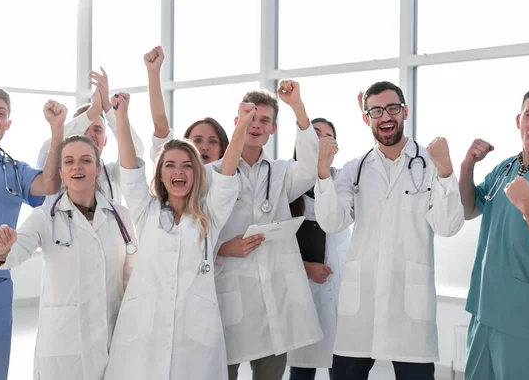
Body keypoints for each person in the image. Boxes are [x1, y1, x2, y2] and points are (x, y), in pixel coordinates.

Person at [314, 81, 465, 380]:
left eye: (392, 108)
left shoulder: (432, 164)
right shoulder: (354, 169)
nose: (386, 117)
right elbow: (332, 222)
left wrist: (446, 169)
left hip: (409, 307)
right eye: (376, 110)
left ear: (405, 111)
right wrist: (322, 171)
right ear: (366, 117)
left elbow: (448, 226)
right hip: (361, 307)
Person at [104, 92, 251, 380]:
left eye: (186, 165)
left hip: (194, 326)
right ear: (160, 175)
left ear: (196, 174)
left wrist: (241, 126)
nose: (178, 171)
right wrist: (121, 117)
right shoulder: (146, 212)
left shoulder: (209, 216)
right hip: (145, 324)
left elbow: (228, 172)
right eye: (169, 165)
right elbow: (130, 167)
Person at [0, 135, 137, 379]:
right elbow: (17, 250)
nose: (77, 167)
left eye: (85, 160)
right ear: (62, 172)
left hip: (114, 337)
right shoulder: (45, 217)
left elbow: (132, 276)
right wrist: (2, 250)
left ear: (98, 169)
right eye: (69, 161)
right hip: (63, 344)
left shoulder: (120, 216)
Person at [210, 80, 323, 380]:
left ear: (273, 129)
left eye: (264, 120)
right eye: (249, 117)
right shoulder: (210, 175)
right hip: (229, 294)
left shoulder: (282, 171)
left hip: (274, 296)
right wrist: (223, 248)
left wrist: (297, 106)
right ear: (236, 122)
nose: (256, 125)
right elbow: (197, 232)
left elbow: (311, 168)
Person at [459, 86, 529, 380]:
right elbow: (468, 209)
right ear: (519, 121)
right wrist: (468, 166)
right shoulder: (506, 167)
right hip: (484, 311)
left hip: (526, 321)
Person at [0, 87, 64, 379]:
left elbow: (49, 185)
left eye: (0, 113)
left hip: (0, 287)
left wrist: (57, 130)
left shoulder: (13, 170)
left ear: (8, 124)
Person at [287, 118, 351, 380]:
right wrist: (304, 268)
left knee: (345, 367)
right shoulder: (285, 182)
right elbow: (270, 244)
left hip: (341, 286)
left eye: (329, 136)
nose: (322, 141)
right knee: (303, 368)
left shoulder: (343, 180)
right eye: (315, 135)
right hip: (301, 290)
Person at [36, 68, 145, 204]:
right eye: (84, 128)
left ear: (105, 141)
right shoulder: (56, 169)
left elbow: (135, 152)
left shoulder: (112, 174)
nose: (90, 135)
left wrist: (109, 109)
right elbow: (51, 146)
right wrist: (93, 111)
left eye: (98, 129)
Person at [145, 46, 230, 164]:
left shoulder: (230, 178)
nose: (205, 147)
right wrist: (153, 72)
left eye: (213, 141)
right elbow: (160, 126)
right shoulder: (172, 165)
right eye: (197, 140)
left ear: (223, 149)